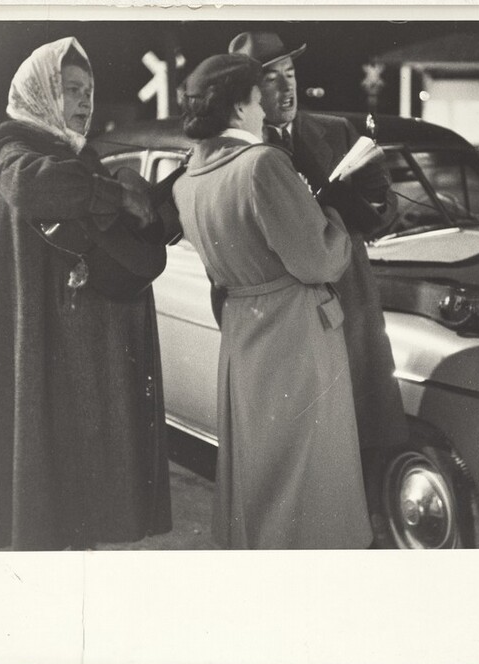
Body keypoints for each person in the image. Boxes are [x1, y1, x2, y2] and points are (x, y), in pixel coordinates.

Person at [172, 53, 372, 549]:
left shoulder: (188, 179)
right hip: (294, 333)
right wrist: (334, 214)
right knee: (310, 476)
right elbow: (321, 260)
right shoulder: (262, 165)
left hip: (243, 328)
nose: (266, 107)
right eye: (258, 97)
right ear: (240, 106)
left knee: (260, 468)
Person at [0, 37, 172, 550]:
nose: (84, 102)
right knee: (53, 466)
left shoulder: (74, 150)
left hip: (75, 339)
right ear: (41, 91)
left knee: (81, 469)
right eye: (71, 90)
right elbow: (31, 186)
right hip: (49, 337)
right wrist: (115, 193)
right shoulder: (11, 144)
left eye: (89, 90)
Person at [228, 32, 408, 500]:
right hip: (286, 327)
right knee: (301, 456)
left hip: (351, 305)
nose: (286, 90)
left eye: (290, 75)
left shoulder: (336, 131)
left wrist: (371, 198)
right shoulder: (238, 153)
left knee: (363, 433)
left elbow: (383, 215)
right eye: (270, 81)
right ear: (246, 95)